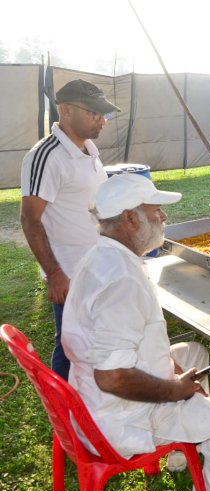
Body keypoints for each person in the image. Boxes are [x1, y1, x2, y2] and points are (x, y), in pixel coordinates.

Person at [61, 173, 210, 491]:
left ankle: (184, 446)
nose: (163, 216)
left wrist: (177, 378)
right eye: (156, 211)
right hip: (119, 418)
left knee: (194, 353)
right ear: (130, 219)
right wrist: (175, 390)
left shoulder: (102, 254)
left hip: (91, 400)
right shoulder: (122, 281)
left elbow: (123, 349)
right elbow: (111, 378)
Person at [20, 79, 120, 380]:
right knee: (70, 346)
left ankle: (90, 402)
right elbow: (30, 219)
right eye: (94, 113)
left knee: (97, 339)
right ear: (65, 111)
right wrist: (54, 273)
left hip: (97, 265)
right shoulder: (46, 155)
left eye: (104, 114)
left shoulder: (89, 148)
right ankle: (63, 415)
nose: (102, 120)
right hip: (71, 272)